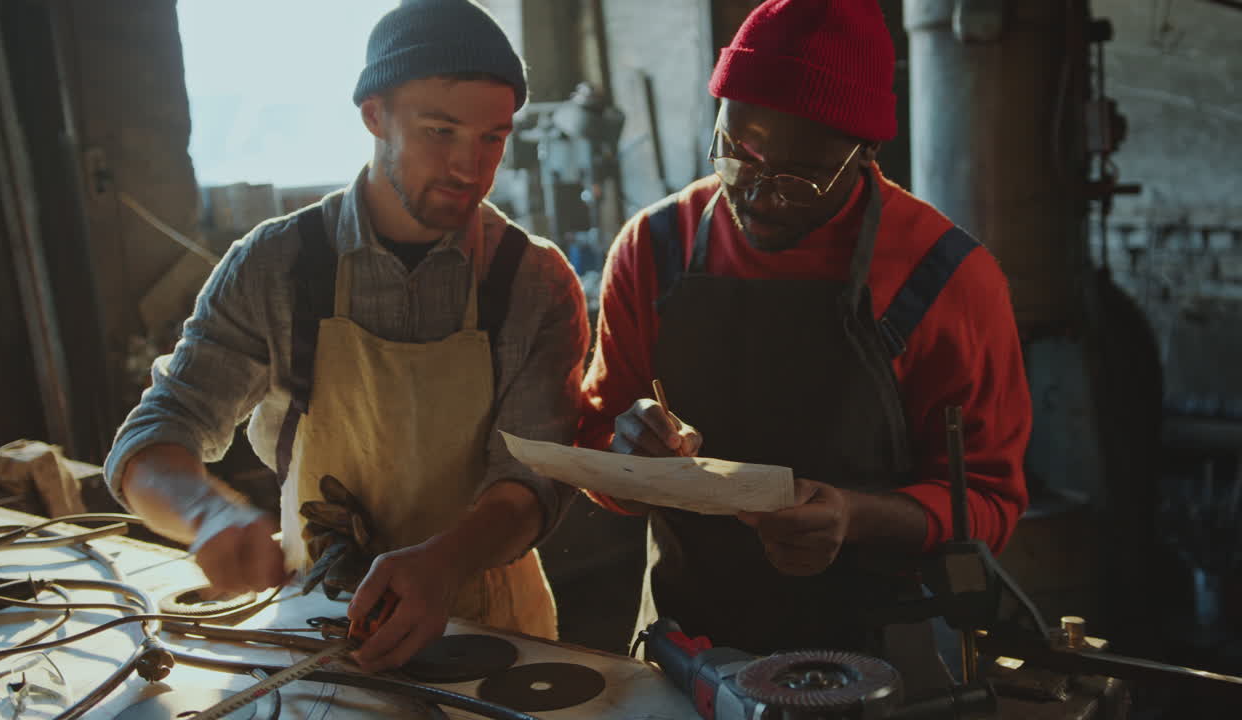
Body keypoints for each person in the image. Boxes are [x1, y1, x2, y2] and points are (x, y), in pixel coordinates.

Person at [105, 0, 588, 673]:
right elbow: (154, 435)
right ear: (373, 115)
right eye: (439, 130)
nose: (468, 168)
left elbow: (531, 480)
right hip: (319, 620)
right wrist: (205, 514)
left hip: (490, 625)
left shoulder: (536, 283)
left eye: (492, 138)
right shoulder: (276, 266)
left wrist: (445, 561)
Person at [578, 0, 1031, 682]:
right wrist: (629, 458)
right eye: (738, 153)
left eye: (798, 177)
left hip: (883, 662)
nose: (759, 194)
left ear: (865, 154)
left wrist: (855, 516)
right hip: (686, 655)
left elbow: (990, 501)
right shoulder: (653, 250)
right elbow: (592, 445)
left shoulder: (946, 280)